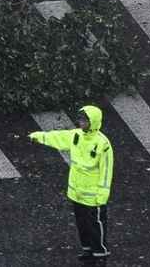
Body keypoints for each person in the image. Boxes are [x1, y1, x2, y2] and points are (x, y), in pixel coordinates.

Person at [29, 105, 114, 262]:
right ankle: (88, 250)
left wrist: (102, 196)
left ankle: (100, 252)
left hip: (93, 196)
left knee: (96, 225)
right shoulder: (76, 136)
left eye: (84, 120)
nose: (81, 123)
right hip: (77, 193)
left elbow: (106, 171)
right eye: (80, 120)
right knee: (82, 224)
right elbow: (57, 138)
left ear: (93, 122)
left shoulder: (103, 144)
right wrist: (39, 136)